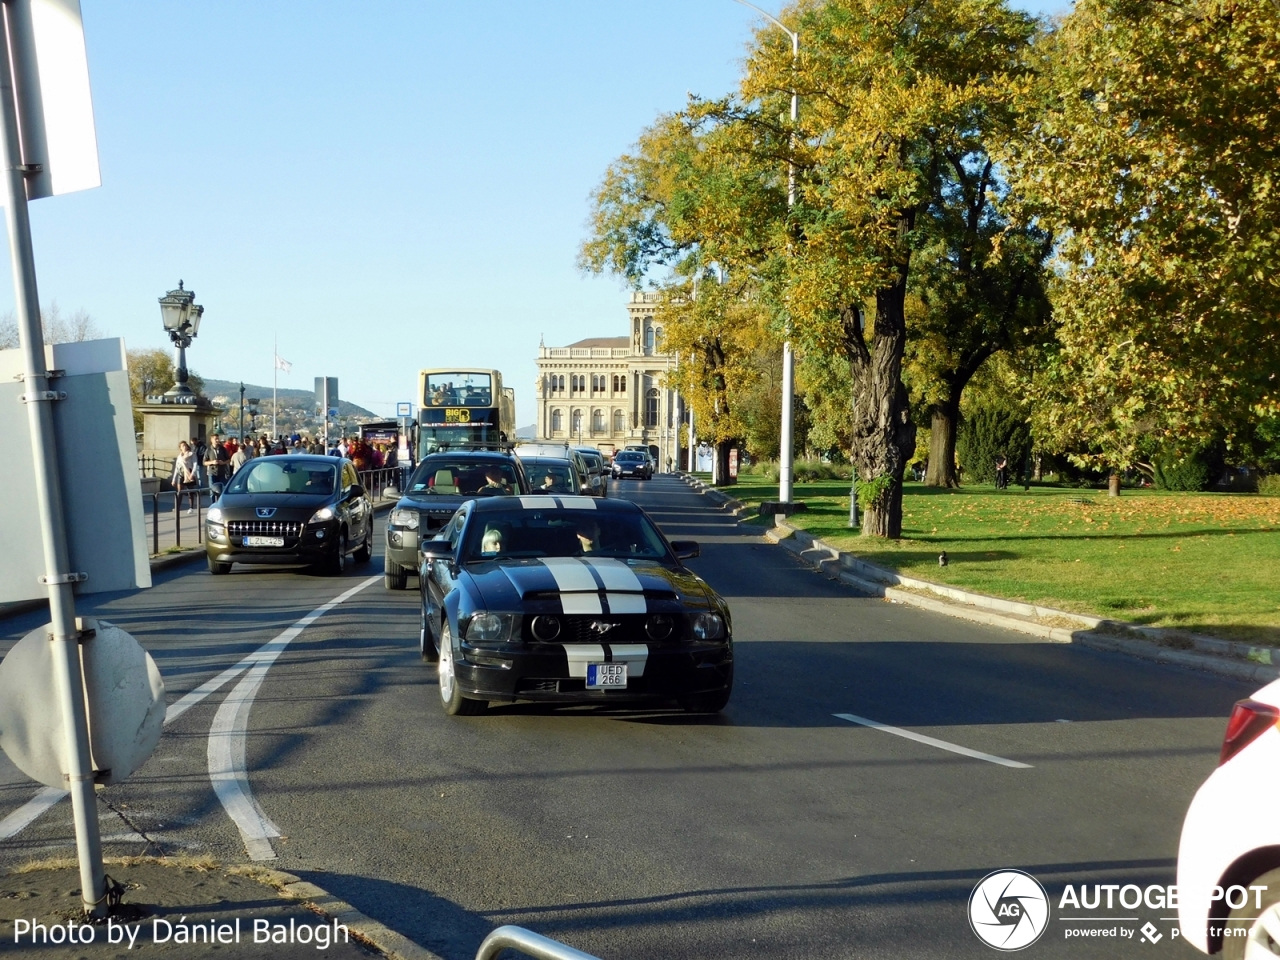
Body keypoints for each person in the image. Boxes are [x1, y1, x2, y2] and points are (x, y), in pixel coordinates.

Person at [172, 441, 199, 514]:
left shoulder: (192, 454)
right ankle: (178, 507)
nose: (184, 447)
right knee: (179, 492)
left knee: (190, 491)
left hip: (189, 474)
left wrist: (192, 474)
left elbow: (195, 464)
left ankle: (191, 507)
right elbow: (176, 468)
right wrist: (174, 479)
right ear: (180, 448)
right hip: (181, 474)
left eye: (185, 445)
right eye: (182, 446)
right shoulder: (179, 456)